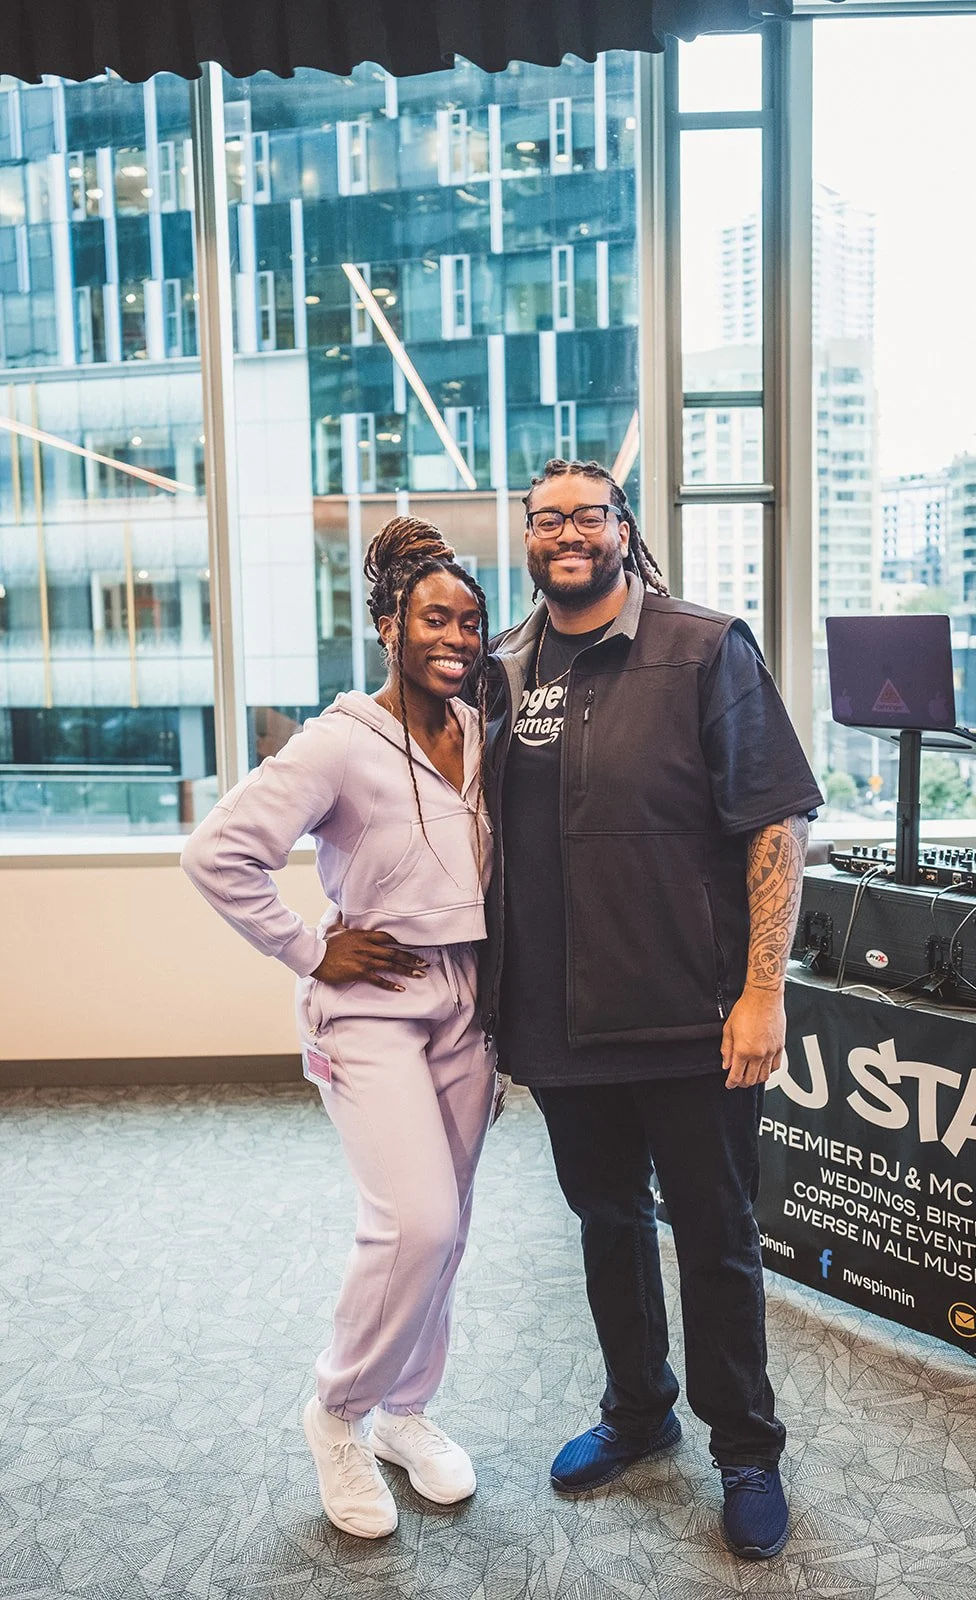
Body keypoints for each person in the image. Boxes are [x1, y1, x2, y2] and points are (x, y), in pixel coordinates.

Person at [480, 459, 823, 1561]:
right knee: (606, 1224)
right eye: (547, 519)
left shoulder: (702, 646)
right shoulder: (503, 668)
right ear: (527, 537)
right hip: (559, 1019)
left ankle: (746, 1446)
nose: (566, 532)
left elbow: (773, 825)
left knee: (716, 1236)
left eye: (588, 514)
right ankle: (638, 1408)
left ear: (622, 530)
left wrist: (762, 992)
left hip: (690, 1015)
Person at [181, 518, 496, 1540]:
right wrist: (310, 948)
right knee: (416, 1222)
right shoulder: (337, 740)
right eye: (434, 617)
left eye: (469, 619)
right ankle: (336, 1411)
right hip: (369, 1008)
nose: (456, 634)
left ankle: (407, 1412)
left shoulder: (479, 727)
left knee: (443, 1238)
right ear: (386, 626)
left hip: (468, 1003)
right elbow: (217, 853)